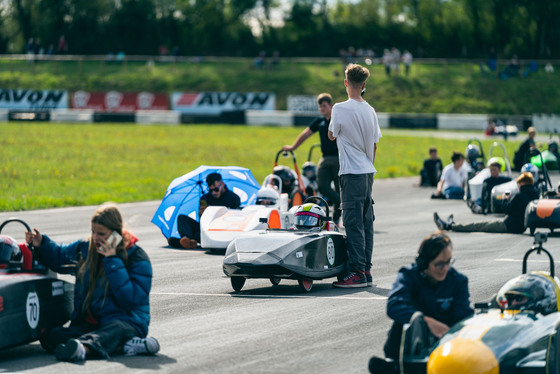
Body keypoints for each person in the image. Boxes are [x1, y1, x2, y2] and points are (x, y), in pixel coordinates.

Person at [24, 204, 159, 362]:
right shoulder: (85, 248)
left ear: (116, 234)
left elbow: (129, 299)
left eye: (101, 234)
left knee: (114, 330)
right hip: (91, 325)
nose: (95, 238)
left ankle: (83, 349)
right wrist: (42, 243)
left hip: (127, 322)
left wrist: (112, 260)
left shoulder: (137, 257)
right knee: (52, 336)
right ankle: (125, 346)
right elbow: (60, 258)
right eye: (93, 231)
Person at [368, 232, 473, 374]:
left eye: (448, 262)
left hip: (446, 342)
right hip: (411, 345)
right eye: (439, 265)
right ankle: (398, 365)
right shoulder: (409, 275)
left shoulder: (458, 280)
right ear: (424, 263)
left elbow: (462, 315)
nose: (445, 269)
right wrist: (425, 321)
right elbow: (394, 305)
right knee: (413, 320)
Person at [328, 63, 382, 288]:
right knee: (366, 222)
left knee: (352, 223)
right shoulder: (370, 110)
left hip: (351, 172)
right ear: (364, 85)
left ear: (346, 83)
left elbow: (331, 135)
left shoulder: (340, 108)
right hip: (368, 171)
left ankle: (357, 272)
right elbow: (375, 144)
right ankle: (366, 269)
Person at [282, 93, 341, 222]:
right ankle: (342, 201)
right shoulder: (319, 122)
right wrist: (293, 147)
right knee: (321, 186)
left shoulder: (339, 119)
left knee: (339, 188)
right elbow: (305, 134)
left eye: (324, 106)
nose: (322, 109)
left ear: (331, 105)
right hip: (325, 158)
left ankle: (336, 219)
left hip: (339, 158)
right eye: (320, 107)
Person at [434, 172, 539, 234]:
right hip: (521, 227)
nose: (518, 187)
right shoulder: (535, 195)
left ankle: (450, 226)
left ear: (522, 183)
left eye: (519, 184)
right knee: (481, 225)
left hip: (510, 225)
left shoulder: (519, 196)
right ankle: (452, 225)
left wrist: (505, 199)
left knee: (479, 225)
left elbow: (506, 209)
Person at [168, 172, 241, 249]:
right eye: (211, 190)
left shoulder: (234, 198)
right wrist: (201, 214)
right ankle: (186, 239)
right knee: (182, 218)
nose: (213, 193)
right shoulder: (205, 198)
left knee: (197, 236)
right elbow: (202, 221)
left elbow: (235, 219)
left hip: (223, 229)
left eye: (216, 189)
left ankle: (180, 242)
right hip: (206, 228)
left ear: (222, 184)